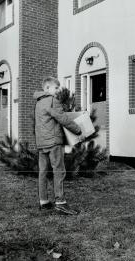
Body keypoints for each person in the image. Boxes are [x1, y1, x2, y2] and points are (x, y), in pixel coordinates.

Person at [33, 76, 84, 215]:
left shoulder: (38, 103)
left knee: (42, 172)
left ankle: (43, 202)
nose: (58, 90)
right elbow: (63, 119)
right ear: (47, 88)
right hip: (54, 141)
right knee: (59, 171)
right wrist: (79, 130)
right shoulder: (52, 101)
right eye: (56, 88)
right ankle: (60, 202)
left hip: (41, 142)